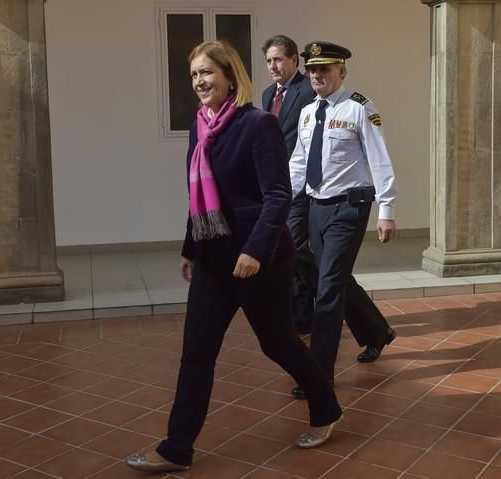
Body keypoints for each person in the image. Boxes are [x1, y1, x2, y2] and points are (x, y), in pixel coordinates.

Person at [124, 41, 342, 473]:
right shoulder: (199, 126)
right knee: (196, 353)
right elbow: (199, 196)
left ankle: (326, 407)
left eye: (206, 73)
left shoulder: (257, 124)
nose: (199, 82)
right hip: (213, 258)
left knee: (277, 343)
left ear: (229, 75)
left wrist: (255, 250)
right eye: (193, 75)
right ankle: (176, 449)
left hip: (257, 259)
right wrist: (191, 248)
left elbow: (278, 195)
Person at [288, 41, 398, 398]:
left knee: (328, 289)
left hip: (349, 208)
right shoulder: (307, 113)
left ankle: (318, 375)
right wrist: (276, 203)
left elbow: (379, 160)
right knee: (331, 278)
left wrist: (387, 211)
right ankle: (377, 332)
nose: (317, 75)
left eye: (325, 69)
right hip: (316, 207)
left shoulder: (359, 109)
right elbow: (299, 165)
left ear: (342, 71)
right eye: (312, 69)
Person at [262, 34, 317, 334]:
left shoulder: (308, 89)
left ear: (295, 60)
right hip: (275, 187)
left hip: (301, 186)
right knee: (287, 250)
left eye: (279, 59)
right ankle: (302, 308)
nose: (273, 65)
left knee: (296, 248)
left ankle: (303, 315)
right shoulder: (268, 94)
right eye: (269, 60)